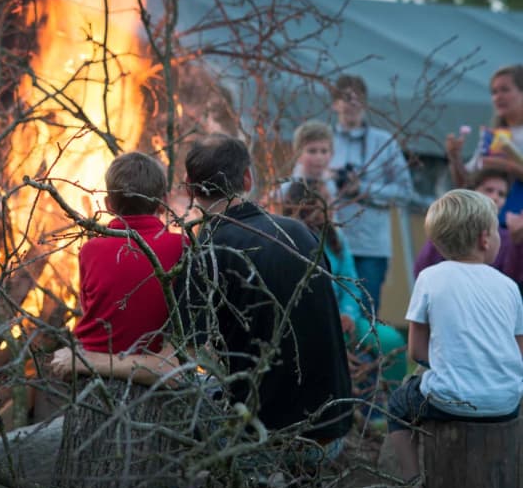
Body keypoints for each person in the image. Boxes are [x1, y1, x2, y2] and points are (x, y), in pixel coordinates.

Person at [54, 134, 353, 447]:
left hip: (264, 431)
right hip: (332, 421)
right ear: (248, 178)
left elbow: (173, 369)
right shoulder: (299, 232)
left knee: (186, 411)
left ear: (189, 189)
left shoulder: (205, 254)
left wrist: (85, 360)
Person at [387, 189, 523, 488]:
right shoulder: (509, 286)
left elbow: (416, 352)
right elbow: (518, 354)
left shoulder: (429, 278)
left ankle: (412, 485)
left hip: (448, 399)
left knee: (397, 406)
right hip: (506, 402)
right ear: (485, 239)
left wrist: (454, 363)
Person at [283, 180, 407, 423]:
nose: (331, 206)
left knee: (392, 340)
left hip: (347, 317)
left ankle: (389, 413)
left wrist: (348, 313)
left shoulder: (335, 237)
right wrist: (330, 319)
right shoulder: (288, 238)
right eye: (325, 202)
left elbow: (350, 281)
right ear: (304, 206)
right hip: (314, 324)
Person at [71, 152, 185, 355]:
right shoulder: (182, 246)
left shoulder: (90, 250)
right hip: (155, 368)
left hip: (92, 364)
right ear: (164, 202)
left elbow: (88, 309)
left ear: (108, 205)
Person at [330, 74, 413, 317]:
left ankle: (364, 356)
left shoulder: (384, 142)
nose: (352, 104)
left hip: (371, 245)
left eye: (358, 98)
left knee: (366, 313)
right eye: (346, 97)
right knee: (329, 313)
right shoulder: (323, 141)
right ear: (335, 104)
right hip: (331, 240)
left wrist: (364, 189)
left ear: (365, 103)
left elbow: (405, 192)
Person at [414, 169, 523, 286]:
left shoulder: (507, 237)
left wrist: (517, 243)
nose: (495, 197)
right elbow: (421, 270)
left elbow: (511, 281)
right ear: (472, 192)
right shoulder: (452, 227)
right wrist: (441, 225)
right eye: (489, 190)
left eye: (501, 194)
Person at [446, 65, 523, 231]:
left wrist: (507, 166)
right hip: (488, 228)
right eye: (494, 92)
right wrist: (455, 158)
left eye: (505, 90)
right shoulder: (490, 136)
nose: (498, 97)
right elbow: (466, 183)